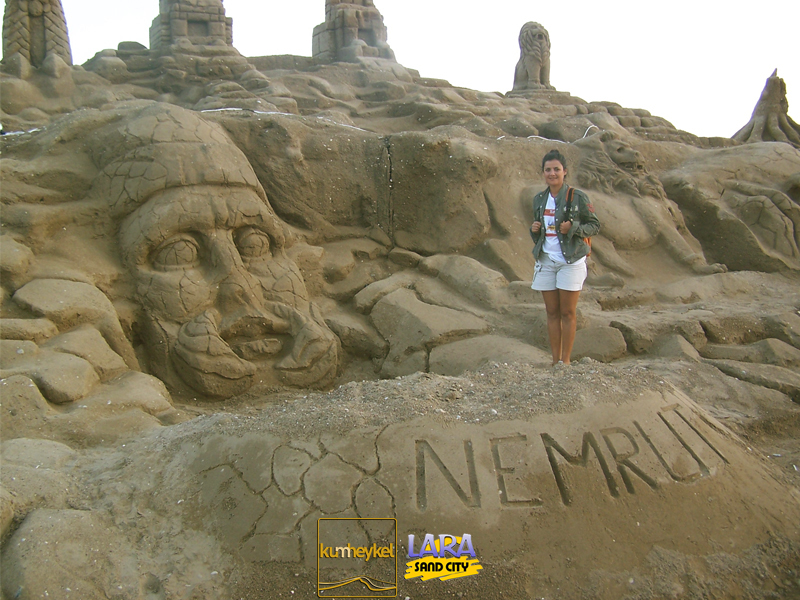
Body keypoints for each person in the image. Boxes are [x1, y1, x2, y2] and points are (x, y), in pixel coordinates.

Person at [530, 149, 600, 365]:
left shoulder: (577, 197)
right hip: (546, 260)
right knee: (551, 312)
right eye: (548, 170)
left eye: (556, 169)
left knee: (567, 313)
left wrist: (573, 228)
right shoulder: (539, 199)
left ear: (565, 171)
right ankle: (555, 361)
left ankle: (566, 361)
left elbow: (594, 225)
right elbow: (542, 234)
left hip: (571, 261)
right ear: (543, 172)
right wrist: (534, 230)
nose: (552, 173)